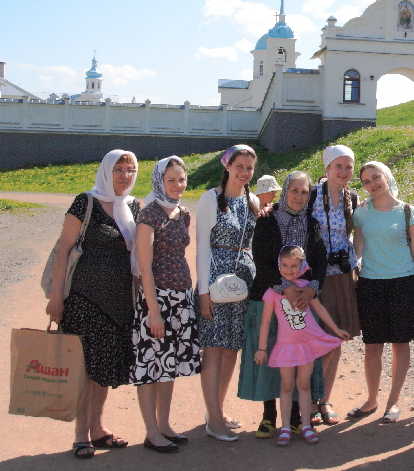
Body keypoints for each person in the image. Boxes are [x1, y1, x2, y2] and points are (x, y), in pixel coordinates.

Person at [46, 149, 140, 459]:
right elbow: (64, 252)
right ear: (106, 171)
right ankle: (80, 434)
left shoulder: (133, 207)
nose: (125, 175)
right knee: (85, 370)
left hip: (119, 303)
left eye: (130, 169)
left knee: (105, 369)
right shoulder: (85, 202)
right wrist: (56, 298)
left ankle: (98, 429)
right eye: (119, 169)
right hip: (84, 300)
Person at [239, 171, 327, 438]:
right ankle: (269, 415)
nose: (299, 196)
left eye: (304, 192)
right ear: (285, 191)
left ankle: (295, 417)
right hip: (268, 297)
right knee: (270, 355)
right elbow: (261, 260)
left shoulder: (312, 224)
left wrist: (312, 288)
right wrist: (284, 286)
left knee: (298, 357)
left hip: (300, 303)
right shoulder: (267, 221)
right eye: (294, 190)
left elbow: (320, 261)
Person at [131, 156, 200, 453]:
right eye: (170, 180)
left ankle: (165, 424)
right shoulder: (149, 216)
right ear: (159, 181)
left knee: (168, 366)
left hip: (181, 299)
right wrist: (154, 312)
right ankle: (151, 432)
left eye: (181, 179)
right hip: (156, 301)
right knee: (150, 367)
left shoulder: (181, 213)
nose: (177, 184)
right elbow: (145, 268)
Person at [349, 161, 414, 423]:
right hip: (370, 284)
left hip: (403, 283)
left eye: (375, 177)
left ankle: (392, 402)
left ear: (385, 176)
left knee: (400, 344)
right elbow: (356, 251)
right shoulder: (361, 214)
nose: (372, 184)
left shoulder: (407, 211)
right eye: (366, 182)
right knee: (372, 346)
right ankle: (371, 400)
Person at [254, 245, 349, 446]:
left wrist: (335, 329)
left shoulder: (306, 288)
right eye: (285, 265)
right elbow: (265, 322)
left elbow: (320, 309)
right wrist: (262, 349)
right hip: (286, 346)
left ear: (301, 266)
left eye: (294, 265)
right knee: (287, 386)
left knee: (303, 385)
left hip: (307, 344)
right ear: (279, 266)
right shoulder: (273, 292)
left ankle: (306, 426)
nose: (289, 269)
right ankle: (286, 428)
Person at [195, 144, 259, 441]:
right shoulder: (210, 198)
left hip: (243, 279)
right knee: (213, 347)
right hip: (215, 279)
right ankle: (213, 419)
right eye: (239, 167)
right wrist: (203, 291)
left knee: (232, 347)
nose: (244, 172)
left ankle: (216, 411)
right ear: (228, 167)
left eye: (249, 168)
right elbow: (201, 247)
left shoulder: (253, 201)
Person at [309, 145, 362, 425]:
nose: (343, 172)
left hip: (342, 274)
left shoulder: (350, 197)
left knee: (337, 338)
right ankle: (307, 399)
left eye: (348, 167)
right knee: (320, 339)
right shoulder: (309, 194)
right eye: (338, 166)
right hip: (316, 276)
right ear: (327, 168)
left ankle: (324, 400)